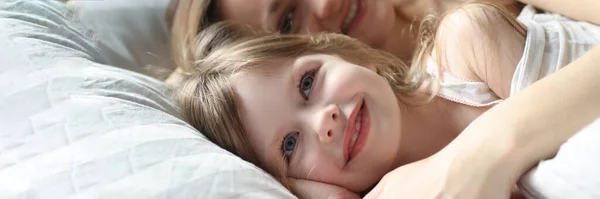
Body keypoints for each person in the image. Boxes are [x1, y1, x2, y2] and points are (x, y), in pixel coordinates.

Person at [170, 1, 600, 198]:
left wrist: (484, 153)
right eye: (289, 145)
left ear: (336, 49)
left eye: (307, 84)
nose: (325, 119)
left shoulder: (466, 44)